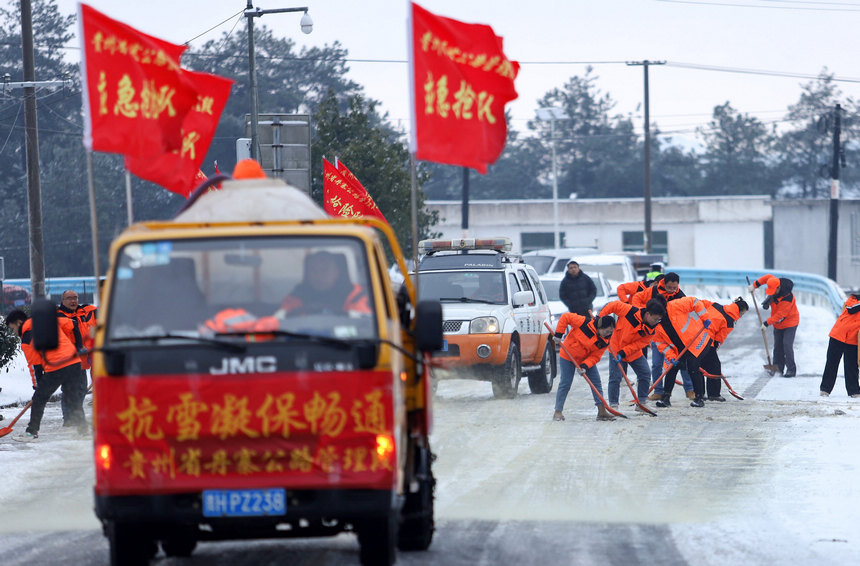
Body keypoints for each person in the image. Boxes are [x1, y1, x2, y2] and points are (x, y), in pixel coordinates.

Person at [4, 309, 86, 440]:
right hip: (74, 362)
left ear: (19, 323)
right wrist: (79, 346)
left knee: (38, 400)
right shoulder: (47, 321)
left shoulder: (26, 338)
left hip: (56, 366)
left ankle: (31, 432)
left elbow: (35, 365)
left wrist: (38, 387)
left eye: (13, 329)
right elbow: (73, 324)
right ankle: (84, 430)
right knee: (73, 399)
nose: (14, 333)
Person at [631, 272, 695, 400]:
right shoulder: (653, 291)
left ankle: (689, 390)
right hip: (657, 333)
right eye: (669, 287)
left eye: (674, 288)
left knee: (681, 362)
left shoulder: (680, 295)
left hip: (675, 335)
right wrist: (642, 312)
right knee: (656, 364)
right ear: (664, 283)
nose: (672, 290)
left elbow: (688, 310)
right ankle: (658, 391)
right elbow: (637, 298)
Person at [599, 298, 666, 412]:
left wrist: (624, 352)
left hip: (633, 352)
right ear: (648, 314)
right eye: (655, 319)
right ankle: (613, 405)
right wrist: (600, 320)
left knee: (645, 373)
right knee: (615, 378)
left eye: (658, 320)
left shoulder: (652, 329)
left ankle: (642, 403)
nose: (656, 322)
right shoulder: (629, 311)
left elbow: (641, 343)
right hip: (616, 347)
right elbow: (613, 305)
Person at [552, 312, 615, 422]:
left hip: (584, 359)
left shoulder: (604, 341)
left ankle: (601, 411)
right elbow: (565, 317)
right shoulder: (584, 323)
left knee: (596, 382)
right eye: (606, 331)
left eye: (610, 332)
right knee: (565, 383)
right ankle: (558, 412)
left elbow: (595, 356)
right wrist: (558, 334)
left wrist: (585, 365)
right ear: (600, 327)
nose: (607, 334)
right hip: (568, 355)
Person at [651, 296, 713, 408]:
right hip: (680, 349)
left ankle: (699, 397)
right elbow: (662, 345)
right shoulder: (655, 324)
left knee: (693, 367)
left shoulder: (676, 305)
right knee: (671, 368)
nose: (657, 317)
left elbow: (695, 302)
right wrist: (671, 357)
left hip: (698, 340)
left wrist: (704, 317)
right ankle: (666, 398)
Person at [278, 250, 370, 316]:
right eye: (313, 270)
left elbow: (364, 324)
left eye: (325, 270)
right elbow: (280, 322)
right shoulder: (294, 298)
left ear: (337, 272)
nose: (318, 275)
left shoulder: (356, 297)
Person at [57, 290, 97, 425]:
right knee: (71, 388)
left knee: (81, 388)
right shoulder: (59, 317)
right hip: (70, 358)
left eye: (75, 298)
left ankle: (76, 418)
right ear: (62, 300)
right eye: (69, 298)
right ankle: (69, 420)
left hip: (89, 355)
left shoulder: (88, 312)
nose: (73, 301)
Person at [699, 297, 748, 401]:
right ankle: (714, 394)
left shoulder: (716, 305)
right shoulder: (729, 322)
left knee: (699, 366)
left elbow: (700, 303)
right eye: (742, 314)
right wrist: (714, 348)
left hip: (695, 337)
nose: (741, 316)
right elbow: (718, 339)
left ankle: (699, 393)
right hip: (708, 342)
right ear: (739, 311)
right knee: (715, 367)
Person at [750, 274, 799, 377]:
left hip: (790, 323)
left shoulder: (788, 298)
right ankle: (778, 367)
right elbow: (765, 277)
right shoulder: (773, 280)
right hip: (778, 325)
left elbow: (780, 315)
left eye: (773, 291)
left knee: (787, 345)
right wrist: (755, 285)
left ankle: (791, 369)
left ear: (779, 287)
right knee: (777, 346)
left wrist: (766, 323)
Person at [819, 292, 860, 398]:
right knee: (832, 363)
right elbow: (851, 309)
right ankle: (825, 389)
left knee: (852, 366)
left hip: (853, 339)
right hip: (838, 336)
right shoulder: (852, 300)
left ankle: (854, 391)